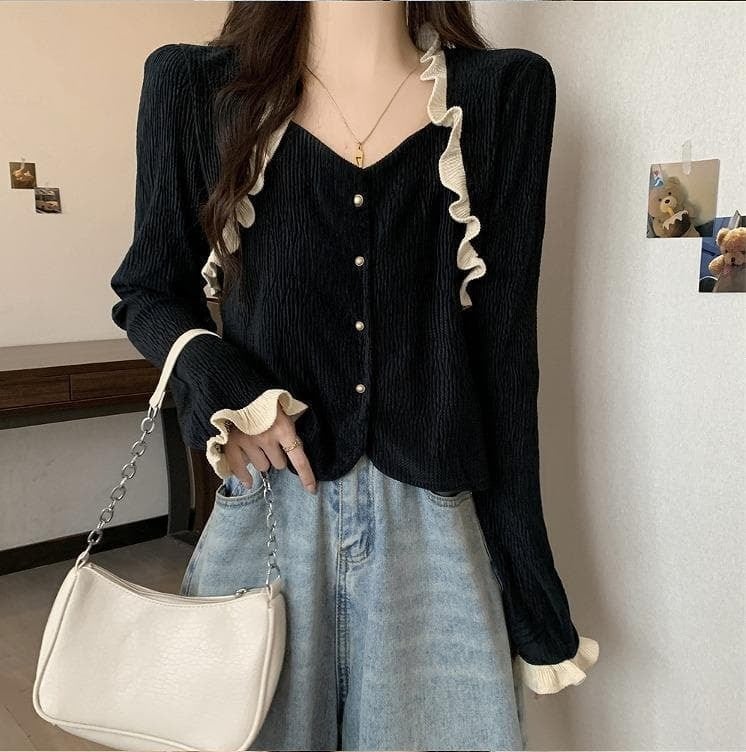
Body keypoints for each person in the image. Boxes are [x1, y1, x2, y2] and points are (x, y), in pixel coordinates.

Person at [110, 2, 599, 750]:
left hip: (434, 528)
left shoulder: (505, 92)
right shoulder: (195, 86)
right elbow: (149, 289)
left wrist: (533, 594)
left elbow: (506, 362)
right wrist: (227, 384)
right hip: (270, 508)